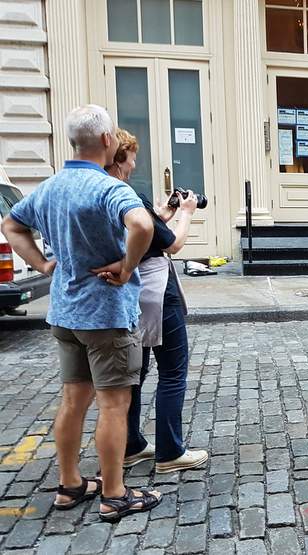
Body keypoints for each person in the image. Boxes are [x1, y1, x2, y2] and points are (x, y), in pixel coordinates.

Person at [1, 105, 162, 521]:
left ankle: (70, 483)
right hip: (106, 314)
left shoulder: (50, 187)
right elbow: (143, 226)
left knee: (73, 401)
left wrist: (42, 265)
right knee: (114, 405)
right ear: (107, 140)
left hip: (65, 313)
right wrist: (126, 267)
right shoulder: (107, 187)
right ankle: (114, 493)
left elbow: (11, 226)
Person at [103, 129, 208, 473]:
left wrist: (161, 213)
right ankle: (170, 452)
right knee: (173, 371)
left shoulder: (101, 193)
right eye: (132, 158)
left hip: (129, 291)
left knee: (136, 371)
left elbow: (145, 232)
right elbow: (172, 244)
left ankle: (131, 445)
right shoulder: (128, 193)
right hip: (156, 288)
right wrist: (187, 212)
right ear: (120, 159)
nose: (135, 164)